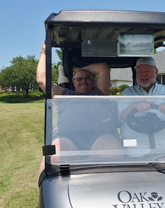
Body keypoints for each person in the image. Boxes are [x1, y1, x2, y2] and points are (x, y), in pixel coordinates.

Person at [37, 43, 122, 175]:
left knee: (114, 152)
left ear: (94, 81)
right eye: (79, 78)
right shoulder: (64, 94)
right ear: (73, 81)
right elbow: (42, 81)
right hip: (67, 136)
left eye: (87, 78)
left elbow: (103, 67)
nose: (83, 81)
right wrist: (44, 52)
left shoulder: (100, 93)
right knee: (53, 156)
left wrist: (79, 70)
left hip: (100, 135)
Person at [118, 57, 165, 157]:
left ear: (156, 72)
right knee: (129, 159)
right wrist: (134, 106)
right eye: (139, 71)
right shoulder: (128, 93)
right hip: (136, 143)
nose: (143, 75)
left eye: (148, 71)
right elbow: (121, 117)